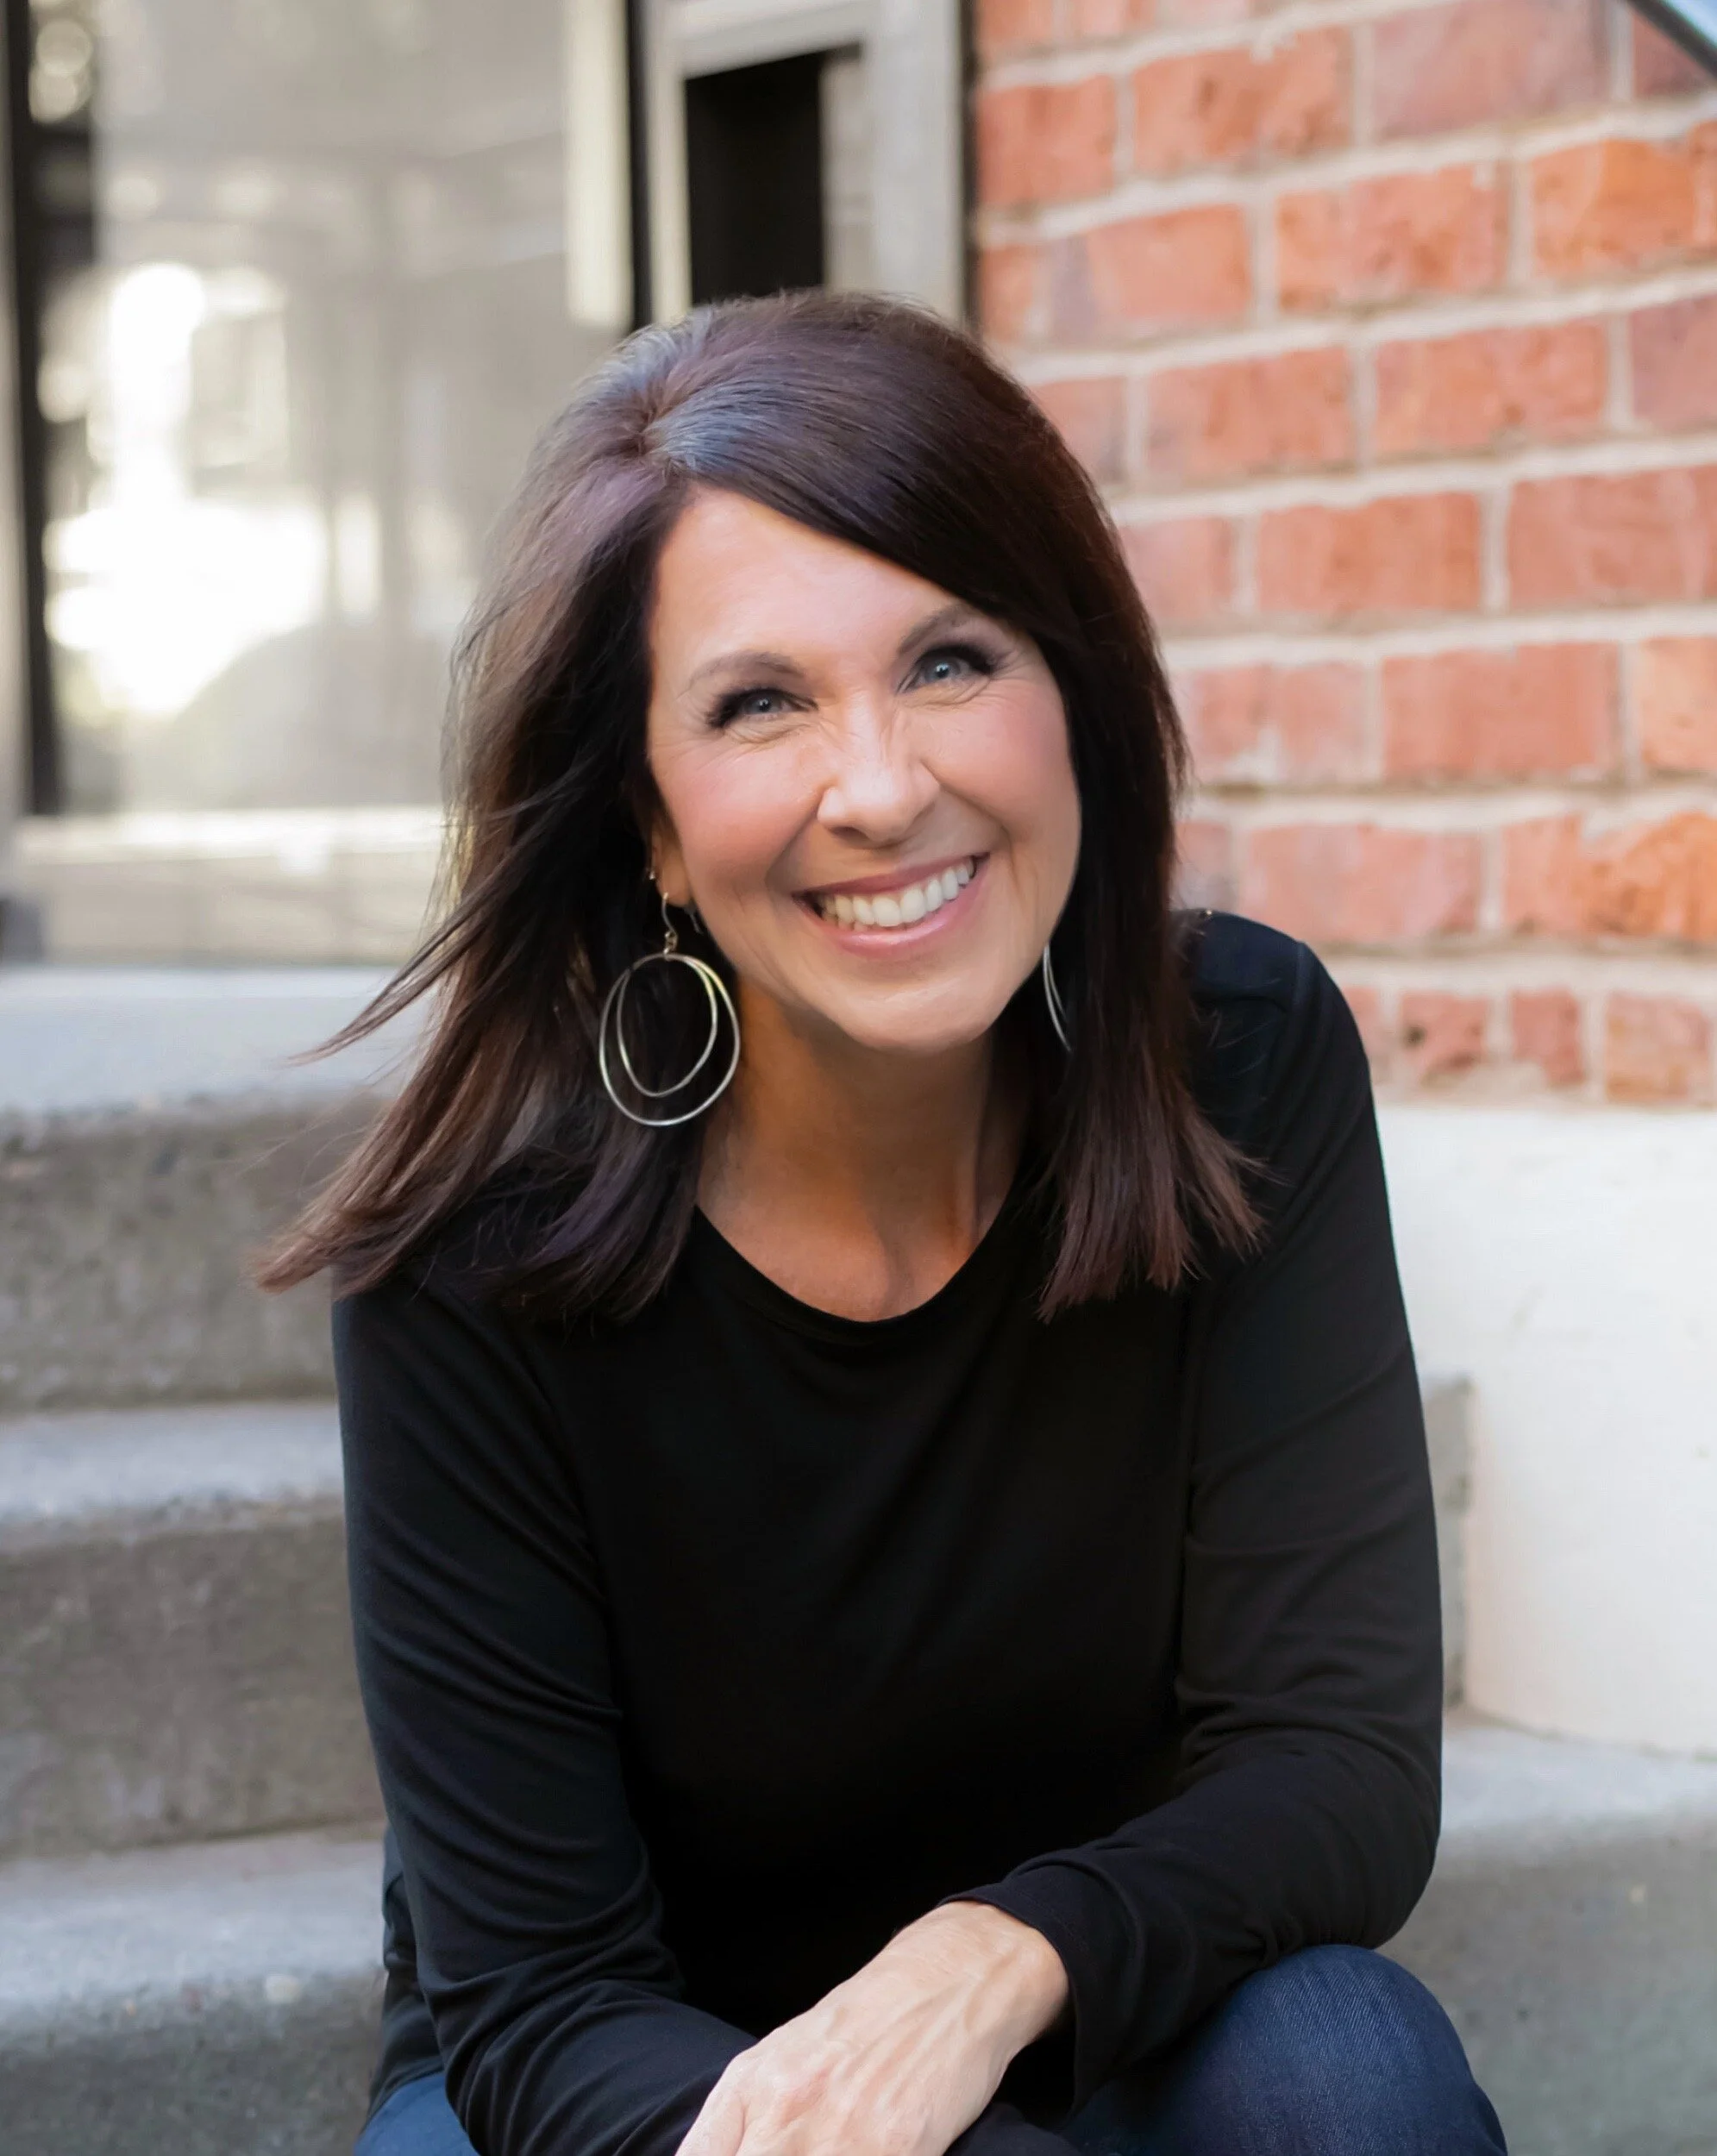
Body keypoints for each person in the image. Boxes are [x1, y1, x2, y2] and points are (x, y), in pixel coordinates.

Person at [265, 292, 1507, 2156]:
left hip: (1082, 2019)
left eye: (946, 660)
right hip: (627, 2087)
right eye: (759, 703)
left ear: (1068, 695)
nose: (880, 785)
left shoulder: (1239, 1066)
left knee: (1346, 2071)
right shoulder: (468, 1256)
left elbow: (1329, 1768)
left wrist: (992, 1955)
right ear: (652, 825)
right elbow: (530, 2001)